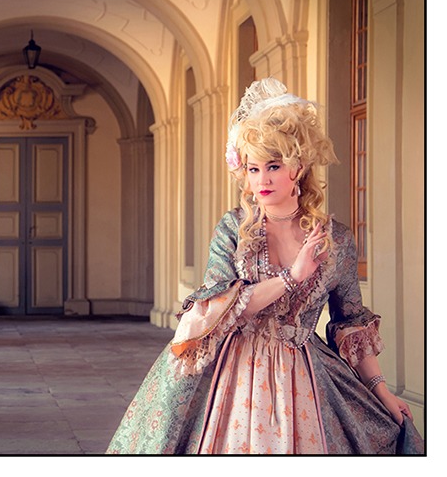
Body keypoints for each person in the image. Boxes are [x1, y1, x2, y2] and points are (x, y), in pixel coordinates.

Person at [106, 78, 424, 454]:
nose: (262, 180)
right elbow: (215, 309)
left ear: (299, 167)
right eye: (253, 169)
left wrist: (382, 391)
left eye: (273, 166)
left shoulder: (335, 238)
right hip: (232, 373)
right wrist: (293, 277)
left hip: (306, 376)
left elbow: (351, 322)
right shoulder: (233, 228)